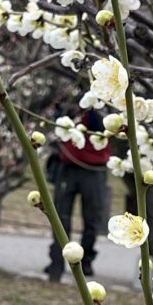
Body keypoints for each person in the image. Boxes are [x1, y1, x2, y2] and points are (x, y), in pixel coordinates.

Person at [45, 109, 111, 282]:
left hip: (95, 168)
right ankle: (57, 260)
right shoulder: (71, 104)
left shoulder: (105, 109)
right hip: (68, 166)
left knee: (91, 219)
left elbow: (101, 127)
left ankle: (85, 260)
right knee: (60, 216)